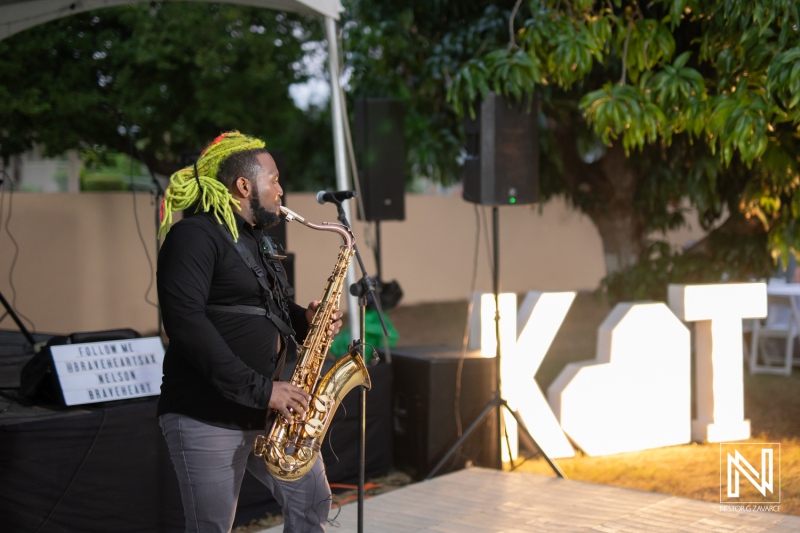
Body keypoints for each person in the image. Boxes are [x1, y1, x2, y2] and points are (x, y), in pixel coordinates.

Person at [156, 131, 340, 533]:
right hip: (207, 413)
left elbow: (262, 307)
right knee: (211, 526)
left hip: (270, 410)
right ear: (244, 185)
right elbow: (185, 324)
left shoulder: (255, 238)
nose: (280, 189)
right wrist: (264, 390)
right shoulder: (192, 236)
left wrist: (304, 319)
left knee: (313, 502)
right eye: (273, 179)